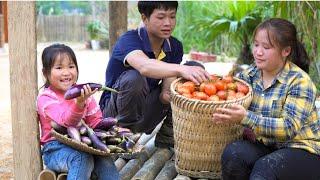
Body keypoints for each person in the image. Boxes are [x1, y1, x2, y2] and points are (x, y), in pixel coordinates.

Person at [212, 18, 320, 180]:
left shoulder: (299, 82)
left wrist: (246, 118)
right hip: (266, 145)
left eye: (266, 47)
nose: (258, 52)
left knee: (266, 169)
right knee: (233, 155)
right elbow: (225, 91)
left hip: (302, 149)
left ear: (286, 51)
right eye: (256, 45)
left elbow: (288, 128)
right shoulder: (249, 76)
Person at [99, 1, 210, 148]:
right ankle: (121, 137)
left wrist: (176, 92)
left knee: (193, 70)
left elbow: (165, 94)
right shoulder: (129, 40)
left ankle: (168, 135)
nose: (168, 23)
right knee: (134, 78)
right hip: (113, 116)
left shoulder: (174, 46)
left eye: (172, 16)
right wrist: (180, 69)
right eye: (161, 17)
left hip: (145, 111)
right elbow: (145, 67)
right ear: (144, 18)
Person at [37, 44, 119, 180]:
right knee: (81, 158)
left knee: (106, 160)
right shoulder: (46, 98)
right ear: (46, 73)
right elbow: (66, 122)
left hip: (84, 145)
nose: (66, 72)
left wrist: (113, 131)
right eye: (59, 67)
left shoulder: (83, 93)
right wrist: (79, 104)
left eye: (71, 66)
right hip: (55, 149)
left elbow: (95, 122)